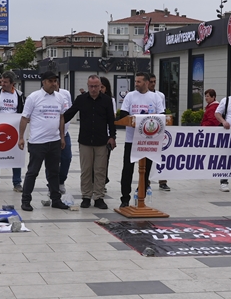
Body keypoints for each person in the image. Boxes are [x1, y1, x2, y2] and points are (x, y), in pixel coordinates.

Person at [63, 75, 117, 209]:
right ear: (88, 86)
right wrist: (56, 121)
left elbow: (111, 120)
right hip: (85, 141)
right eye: (91, 86)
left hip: (101, 141)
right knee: (86, 170)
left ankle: (98, 197)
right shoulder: (81, 99)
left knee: (100, 170)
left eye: (96, 86)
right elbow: (69, 114)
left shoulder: (107, 100)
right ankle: (86, 196)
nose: (93, 89)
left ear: (100, 86)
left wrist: (113, 136)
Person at [18, 70, 69, 212]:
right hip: (37, 142)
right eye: (51, 81)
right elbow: (24, 118)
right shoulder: (34, 97)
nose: (54, 84)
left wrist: (62, 137)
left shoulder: (60, 98)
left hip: (54, 141)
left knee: (54, 172)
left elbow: (61, 118)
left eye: (55, 81)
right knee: (33, 172)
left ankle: (56, 199)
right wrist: (21, 137)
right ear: (44, 82)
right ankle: (26, 200)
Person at [117, 72, 164, 208]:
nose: (136, 84)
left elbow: (161, 115)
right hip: (131, 139)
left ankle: (141, 195)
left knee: (146, 170)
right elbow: (123, 114)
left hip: (148, 140)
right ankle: (124, 198)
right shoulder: (130, 96)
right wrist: (135, 119)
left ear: (146, 83)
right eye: (135, 81)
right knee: (127, 169)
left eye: (139, 81)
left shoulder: (156, 97)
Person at [148, 74, 171, 193]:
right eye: (151, 81)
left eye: (154, 81)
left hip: (158, 129)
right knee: (146, 156)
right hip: (146, 129)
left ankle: (163, 181)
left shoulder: (160, 95)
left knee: (161, 156)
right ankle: (145, 181)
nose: (153, 84)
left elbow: (162, 112)